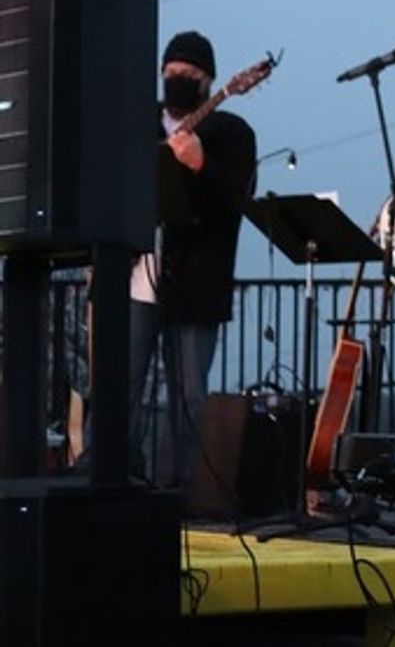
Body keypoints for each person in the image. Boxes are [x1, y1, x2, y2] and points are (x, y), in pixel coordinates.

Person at [128, 31, 257, 488]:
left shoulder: (232, 133)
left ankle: (176, 485)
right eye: (173, 72)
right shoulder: (135, 122)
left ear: (211, 80)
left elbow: (236, 200)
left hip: (197, 279)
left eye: (190, 74)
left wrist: (201, 165)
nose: (179, 79)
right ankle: (118, 475)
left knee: (187, 392)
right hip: (137, 274)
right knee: (123, 380)